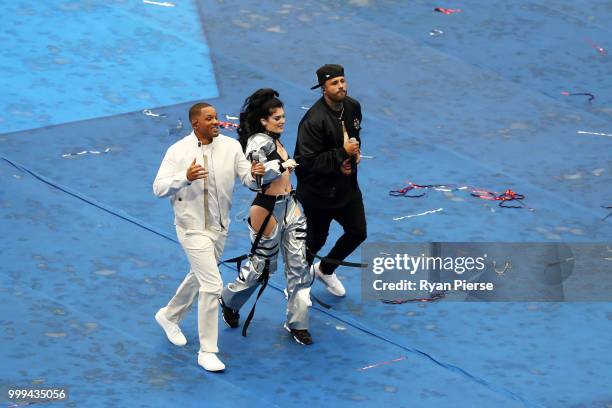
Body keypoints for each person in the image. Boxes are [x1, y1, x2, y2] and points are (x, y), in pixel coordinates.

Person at [152, 102, 264, 372]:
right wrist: (184, 177)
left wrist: (255, 174)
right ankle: (207, 351)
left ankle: (169, 315)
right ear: (195, 124)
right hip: (191, 228)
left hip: (219, 227)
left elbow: (247, 179)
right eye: (209, 118)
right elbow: (158, 188)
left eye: (216, 117)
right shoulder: (178, 151)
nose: (216, 122)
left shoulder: (231, 147)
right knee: (212, 285)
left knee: (200, 275)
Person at [219, 89, 314, 345]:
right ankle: (229, 300)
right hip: (268, 209)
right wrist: (281, 166)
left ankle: (298, 323)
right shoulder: (258, 143)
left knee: (299, 267)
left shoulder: (277, 140)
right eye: (276, 117)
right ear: (263, 120)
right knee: (262, 269)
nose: (282, 121)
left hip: (290, 206)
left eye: (283, 116)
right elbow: (255, 180)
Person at [294, 64, 367, 297]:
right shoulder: (313, 121)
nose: (340, 86)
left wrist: (354, 154)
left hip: (346, 187)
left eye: (342, 81)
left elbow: (354, 138)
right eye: (334, 83)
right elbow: (307, 162)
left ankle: (325, 269)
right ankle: (297, 282)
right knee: (315, 240)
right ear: (323, 88)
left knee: (357, 232)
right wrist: (340, 156)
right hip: (318, 193)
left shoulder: (353, 106)